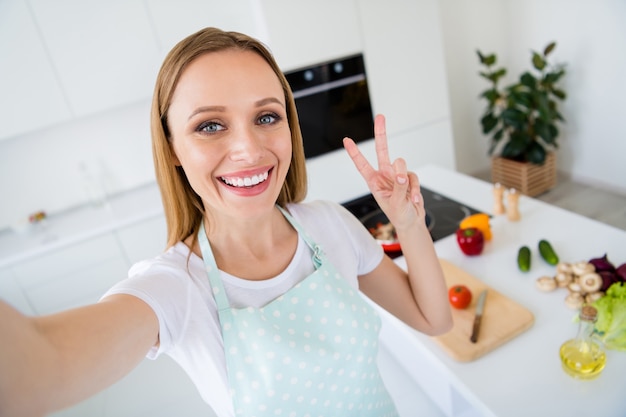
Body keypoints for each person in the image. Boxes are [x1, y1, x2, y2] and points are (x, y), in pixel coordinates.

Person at [0, 27, 452, 417]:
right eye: (210, 126)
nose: (250, 150)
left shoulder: (332, 226)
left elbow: (433, 320)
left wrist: (408, 223)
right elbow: (45, 365)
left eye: (266, 117)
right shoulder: (175, 289)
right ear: (173, 148)